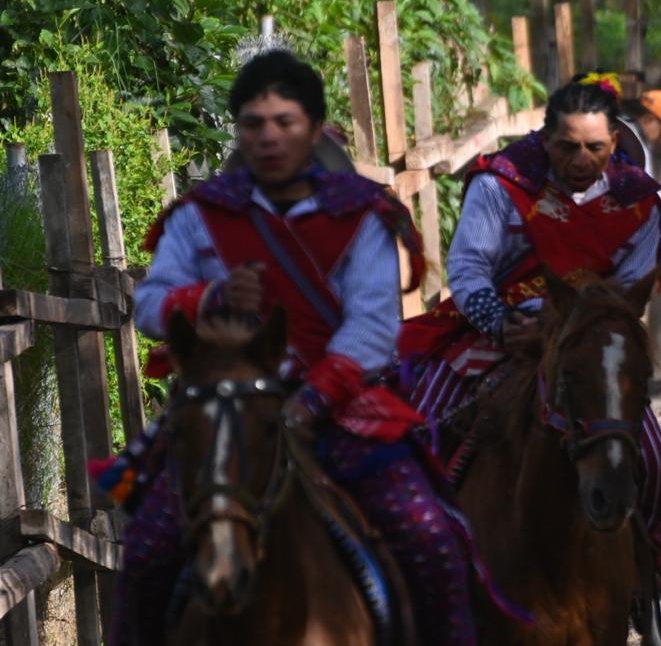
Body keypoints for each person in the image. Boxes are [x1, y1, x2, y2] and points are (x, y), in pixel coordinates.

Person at [112, 48, 477, 644]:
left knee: (430, 539)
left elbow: (372, 329)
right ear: (239, 132)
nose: (269, 137)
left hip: (341, 414)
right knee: (147, 552)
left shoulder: (360, 218)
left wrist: (307, 402)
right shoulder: (200, 216)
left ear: (312, 128)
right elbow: (152, 305)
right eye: (254, 125)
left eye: (285, 123)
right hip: (225, 412)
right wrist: (211, 295)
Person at [396, 74, 661, 635]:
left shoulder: (635, 202)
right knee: (421, 427)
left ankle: (651, 580)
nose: (580, 159)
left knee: (652, 459)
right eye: (566, 146)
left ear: (614, 143)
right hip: (498, 335)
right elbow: (467, 269)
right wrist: (501, 322)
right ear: (544, 140)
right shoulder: (502, 185)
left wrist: (576, 324)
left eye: (595, 147)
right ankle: (409, 572)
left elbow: (632, 285)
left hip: (587, 340)